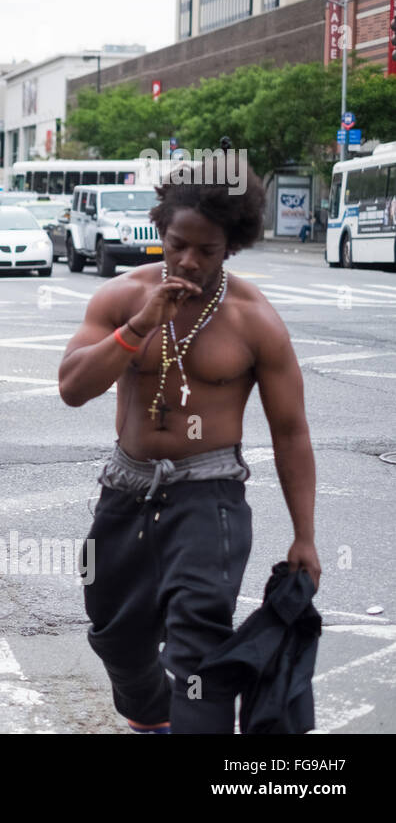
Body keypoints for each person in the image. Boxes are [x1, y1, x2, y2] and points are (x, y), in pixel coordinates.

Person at [56, 153, 320, 734]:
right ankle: (153, 719)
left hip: (210, 496)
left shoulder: (255, 320)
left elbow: (291, 432)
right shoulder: (123, 298)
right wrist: (139, 326)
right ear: (161, 231)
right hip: (126, 491)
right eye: (178, 244)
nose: (189, 261)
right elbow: (73, 388)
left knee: (198, 643)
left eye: (208, 250)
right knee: (113, 634)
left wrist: (305, 536)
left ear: (233, 245)